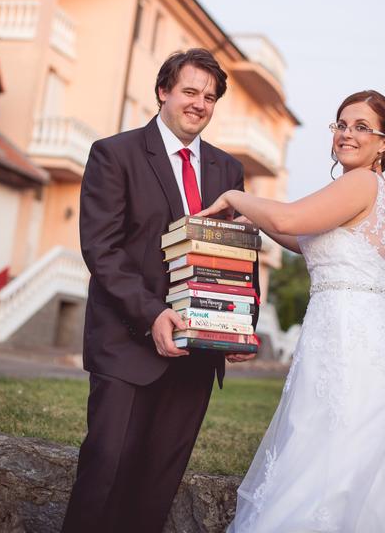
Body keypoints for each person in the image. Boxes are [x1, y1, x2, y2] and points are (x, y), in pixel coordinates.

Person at [200, 90, 385, 533]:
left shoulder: (360, 183)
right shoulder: (373, 190)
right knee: (357, 459)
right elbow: (307, 240)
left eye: (361, 127)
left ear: (384, 142)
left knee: (335, 459)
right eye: (341, 124)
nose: (346, 133)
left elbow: (288, 219)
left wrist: (235, 196)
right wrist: (255, 221)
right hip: (351, 336)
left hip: (350, 343)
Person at [61, 48, 258, 533]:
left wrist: (240, 322)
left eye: (209, 97)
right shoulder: (115, 154)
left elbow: (234, 255)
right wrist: (152, 315)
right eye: (190, 91)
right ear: (163, 91)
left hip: (198, 354)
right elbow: (103, 250)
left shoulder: (228, 170)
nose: (199, 104)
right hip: (127, 345)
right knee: (104, 477)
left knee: (155, 492)